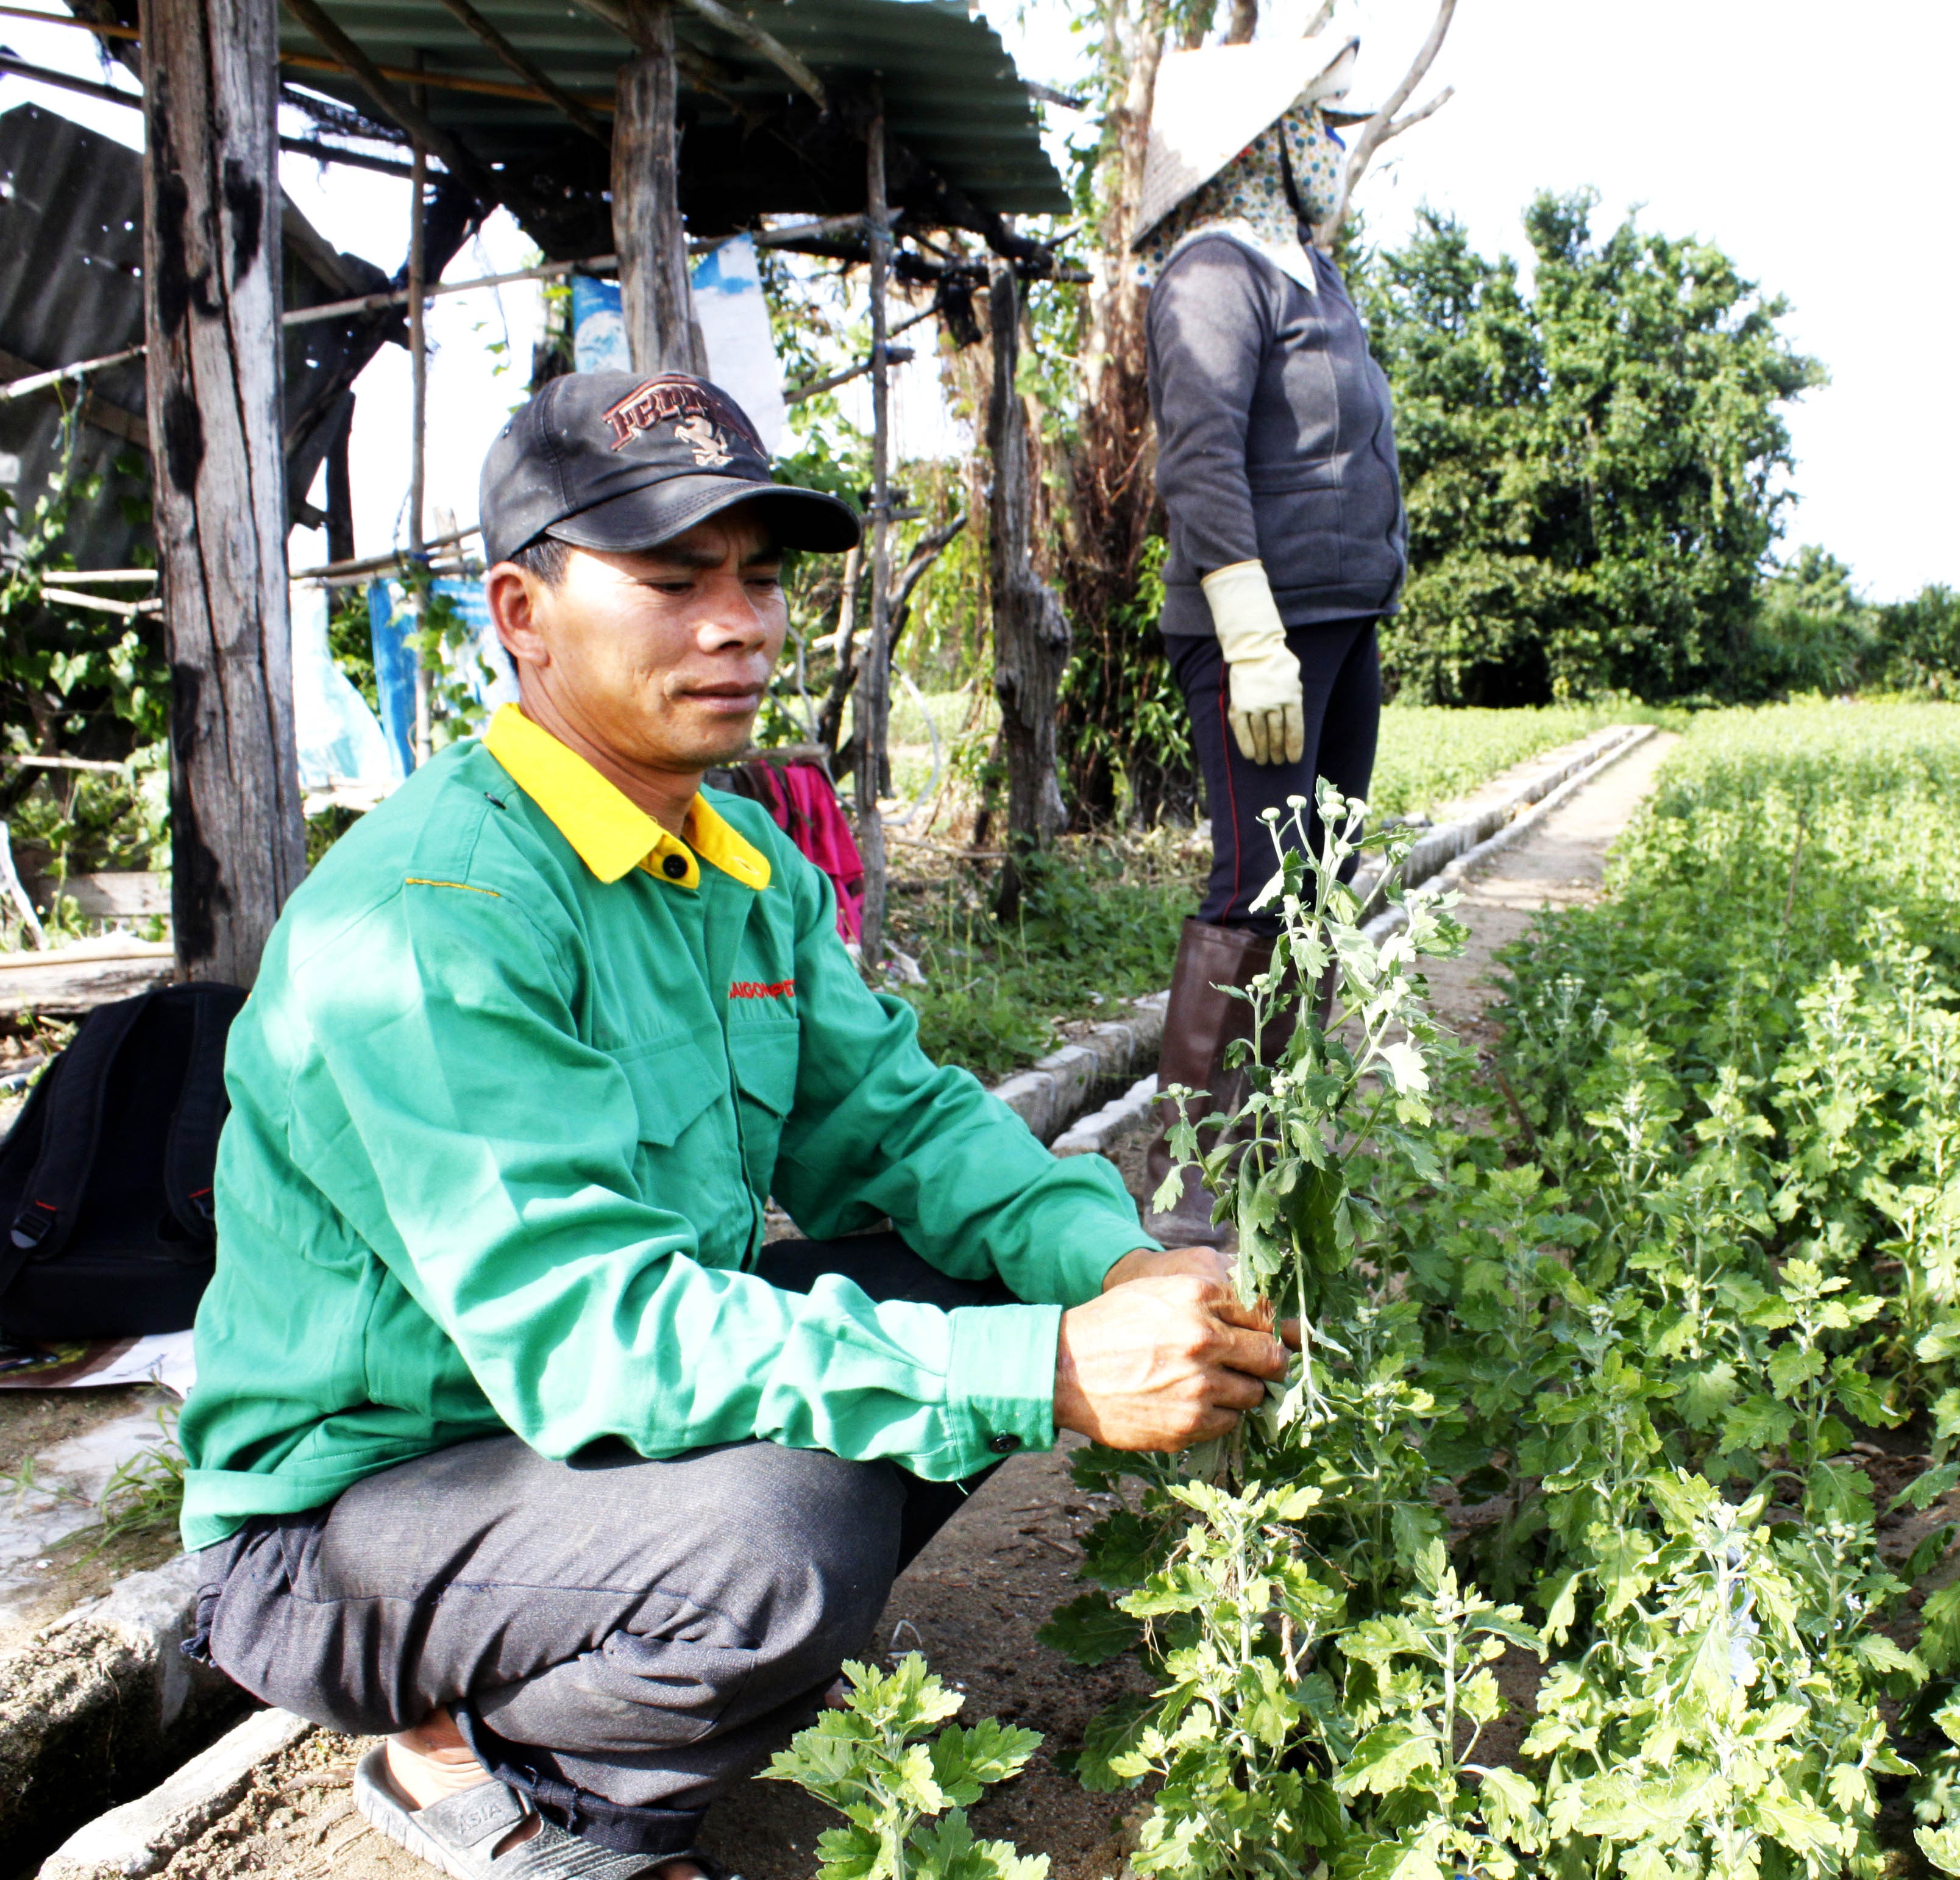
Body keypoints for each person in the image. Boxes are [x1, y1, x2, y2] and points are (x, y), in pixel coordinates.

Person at [176, 370, 1290, 1880]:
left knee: (1024, 1280)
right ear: (522, 611)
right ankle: (514, 1780)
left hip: (555, 1447)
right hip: (351, 1521)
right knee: (780, 1539)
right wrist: (1044, 1372)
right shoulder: (434, 917)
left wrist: (1105, 1270)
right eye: (673, 578)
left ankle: (642, 1629)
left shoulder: (736, 852)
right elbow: (591, 1331)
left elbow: (899, 1125)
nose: (741, 623)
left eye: (760, 578)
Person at [1133, 38, 1408, 1247]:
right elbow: (1201, 459)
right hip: (1261, 634)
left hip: (1343, 622)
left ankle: (1275, 1121)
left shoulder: (1315, 275)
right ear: (1260, 140)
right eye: (1315, 123)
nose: (1331, 146)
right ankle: (1191, 1182)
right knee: (1254, 880)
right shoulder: (1211, 272)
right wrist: (1250, 634)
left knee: (1320, 881)